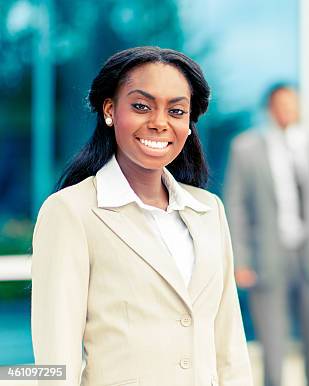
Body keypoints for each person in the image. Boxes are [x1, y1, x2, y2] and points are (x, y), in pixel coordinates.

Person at [30, 47, 252, 386]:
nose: (160, 122)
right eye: (141, 106)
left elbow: (230, 346)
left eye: (176, 111)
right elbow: (55, 358)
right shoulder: (71, 212)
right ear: (109, 110)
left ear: (189, 124)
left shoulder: (209, 211)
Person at [225, 85, 309, 386]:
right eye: (281, 104)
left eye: (292, 103)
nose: (287, 109)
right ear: (270, 109)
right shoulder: (245, 148)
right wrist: (241, 260)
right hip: (267, 258)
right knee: (273, 344)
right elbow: (236, 205)